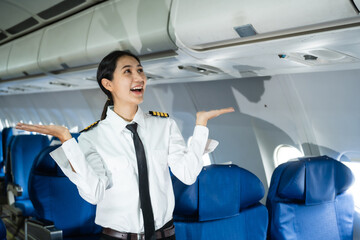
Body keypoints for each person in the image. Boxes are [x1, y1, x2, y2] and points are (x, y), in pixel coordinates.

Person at [16, 50, 234, 240]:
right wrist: (67, 140)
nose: (138, 77)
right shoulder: (93, 137)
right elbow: (94, 193)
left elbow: (187, 174)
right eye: (127, 71)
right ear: (107, 84)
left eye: (140, 70)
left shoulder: (164, 125)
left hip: (166, 235)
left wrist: (200, 125)